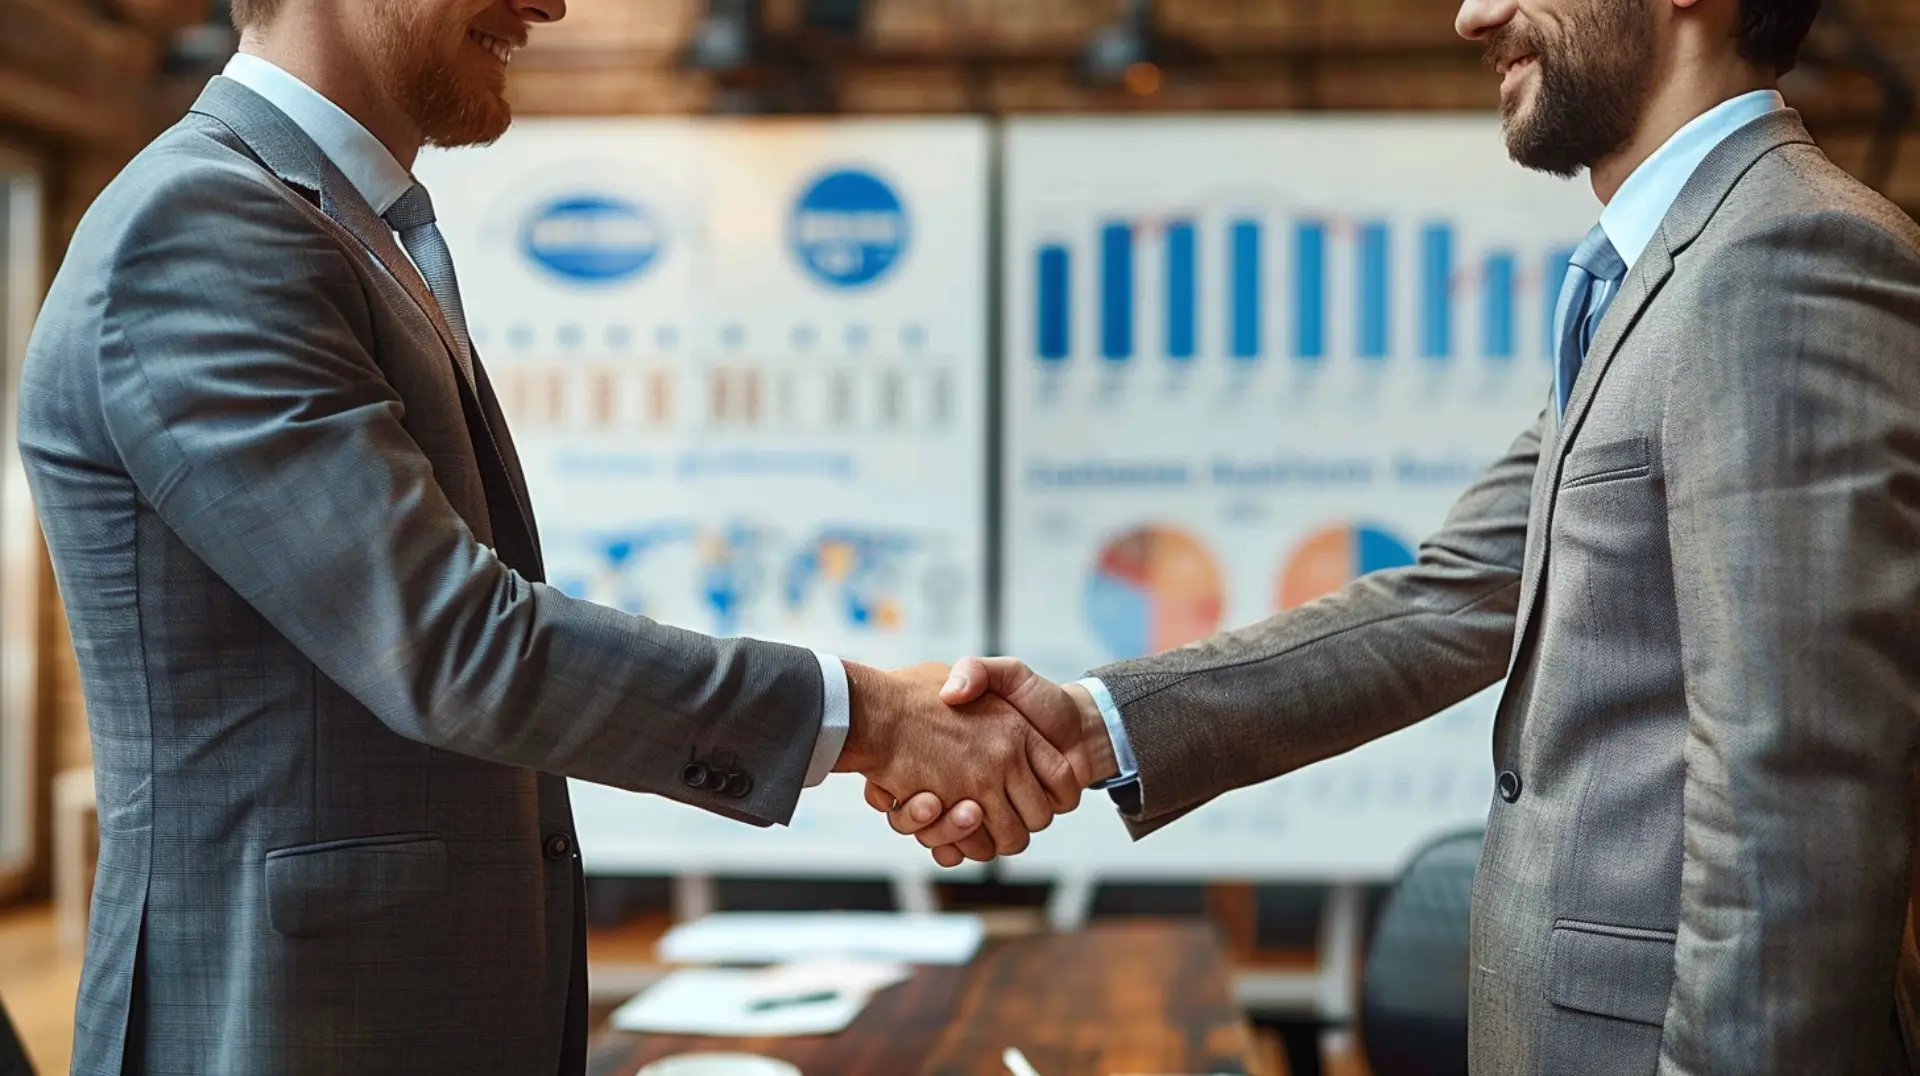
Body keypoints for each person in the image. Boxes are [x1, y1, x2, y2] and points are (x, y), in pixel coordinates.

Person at [17, 1, 1080, 1073]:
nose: (552, 3)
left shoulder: (338, 223)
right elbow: (450, 646)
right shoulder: (201, 223)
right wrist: (871, 718)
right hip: (279, 1023)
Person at [886, 0, 1920, 1070]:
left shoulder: (1788, 253)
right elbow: (1450, 595)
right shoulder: (1662, 272)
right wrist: (1094, 726)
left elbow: (1794, 810)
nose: (1474, 16)